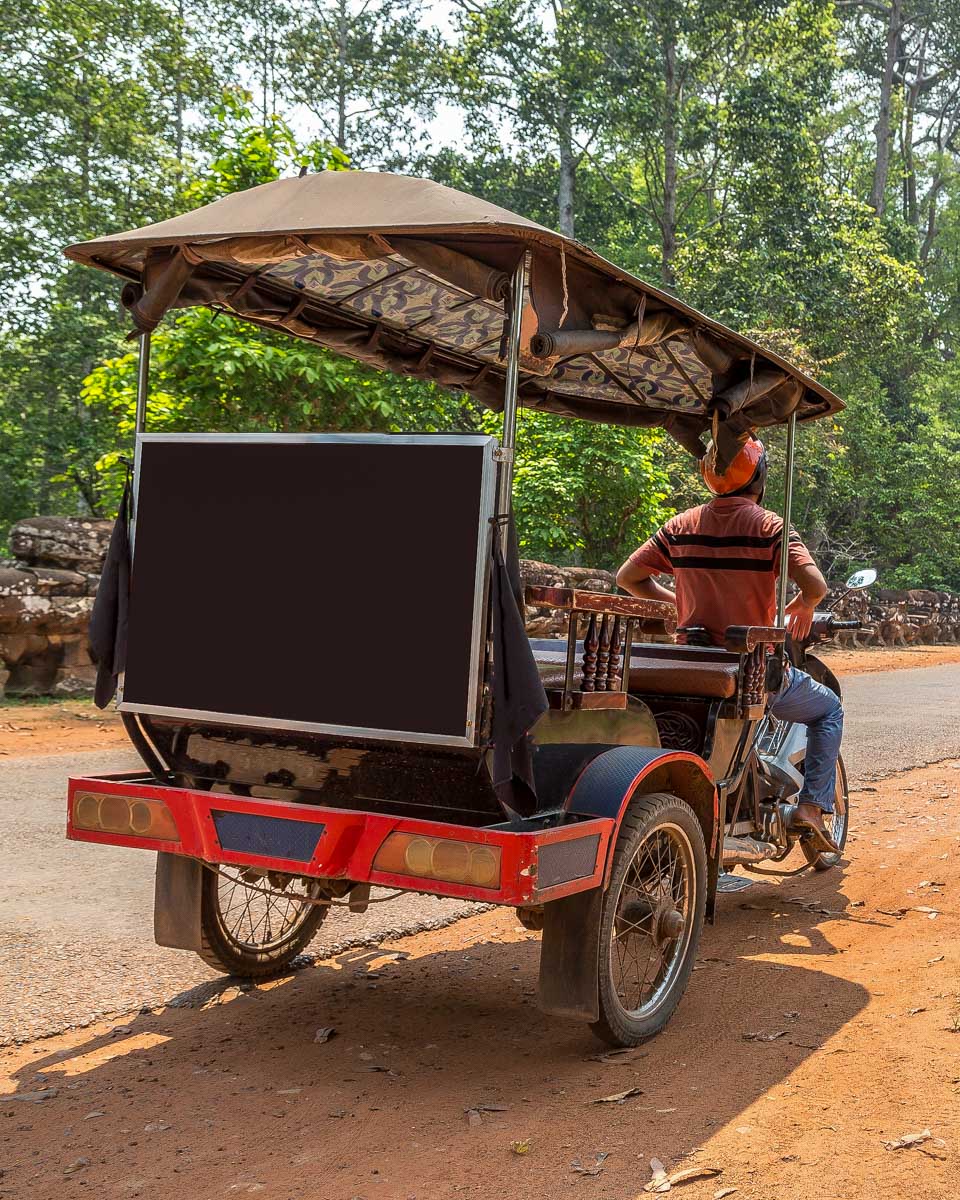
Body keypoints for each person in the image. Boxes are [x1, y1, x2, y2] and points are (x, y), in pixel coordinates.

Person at [616, 435, 843, 853]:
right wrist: (800, 608)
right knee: (829, 708)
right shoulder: (769, 526)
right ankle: (812, 807)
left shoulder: (681, 525)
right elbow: (815, 585)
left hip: (690, 668)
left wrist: (676, 604)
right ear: (760, 476)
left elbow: (627, 578)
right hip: (750, 672)